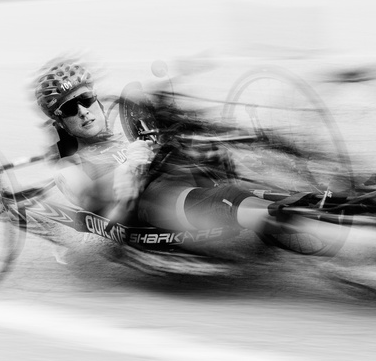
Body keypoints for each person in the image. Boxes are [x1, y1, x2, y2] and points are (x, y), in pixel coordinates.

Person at [34, 57, 307, 243]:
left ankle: (302, 191)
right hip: (155, 202)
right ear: (60, 122)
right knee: (224, 199)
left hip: (180, 174)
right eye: (69, 109)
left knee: (202, 139)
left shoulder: (118, 137)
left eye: (86, 99)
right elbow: (95, 206)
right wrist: (128, 169)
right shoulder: (70, 167)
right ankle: (290, 218)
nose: (83, 111)